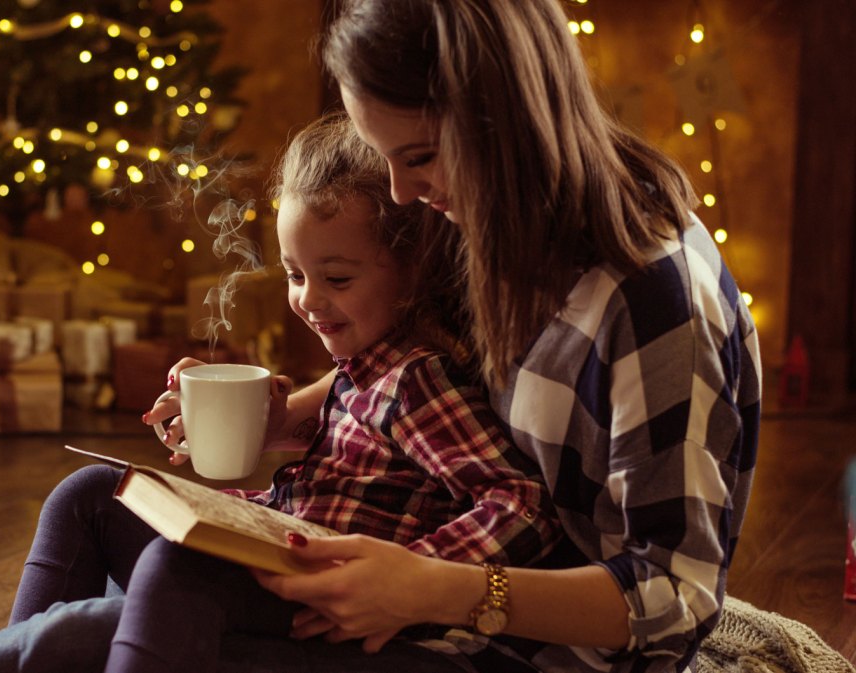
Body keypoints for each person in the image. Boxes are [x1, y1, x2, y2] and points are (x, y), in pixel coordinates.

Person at [0, 111, 559, 673]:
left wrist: (414, 581)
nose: (308, 300)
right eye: (295, 274)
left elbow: (522, 502)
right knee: (90, 495)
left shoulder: (418, 377)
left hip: (364, 631)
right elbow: (376, 465)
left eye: (337, 278)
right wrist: (273, 441)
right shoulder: (366, 368)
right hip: (288, 569)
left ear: (413, 273)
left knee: (137, 594)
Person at [211, 1, 760, 672]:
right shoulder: (487, 204)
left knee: (117, 625)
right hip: (441, 608)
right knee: (96, 509)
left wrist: (435, 589)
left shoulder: (654, 302)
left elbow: (677, 596)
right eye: (386, 158)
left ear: (505, 118)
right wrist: (282, 417)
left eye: (417, 156)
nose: (401, 192)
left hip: (536, 652)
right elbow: (419, 365)